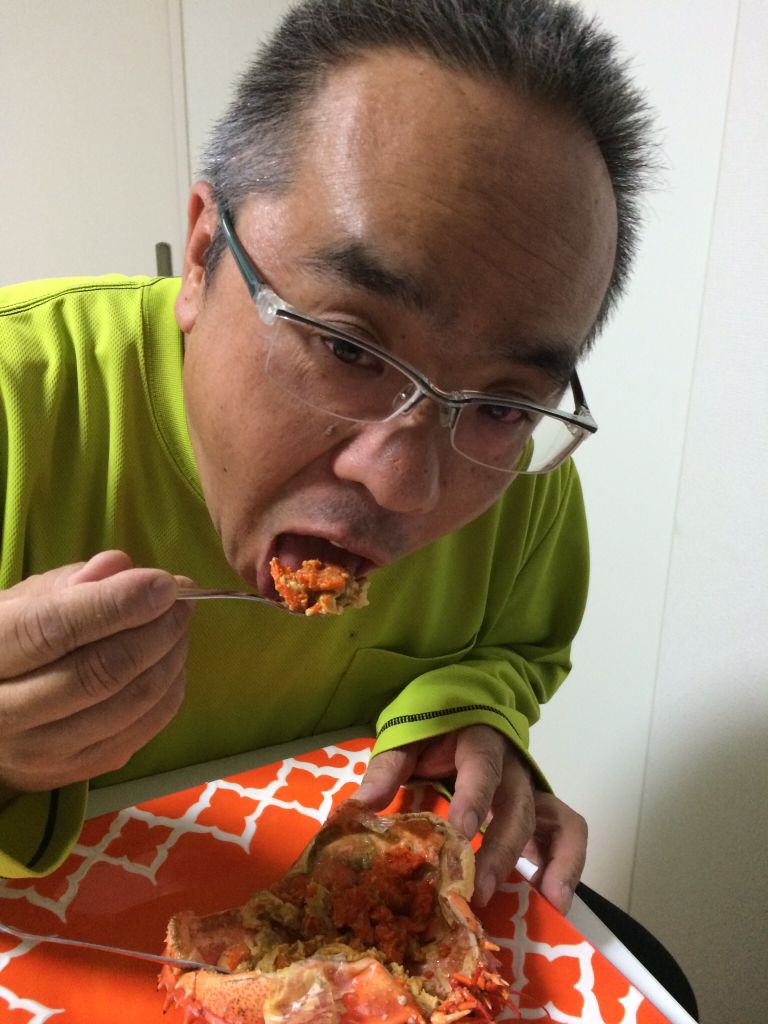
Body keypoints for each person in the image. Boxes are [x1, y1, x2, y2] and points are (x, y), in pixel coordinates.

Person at [1, 0, 649, 922]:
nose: (401, 482)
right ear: (202, 256)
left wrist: (467, 712)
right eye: (348, 347)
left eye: (503, 404)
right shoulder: (20, 400)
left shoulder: (516, 481)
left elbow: (516, 650)